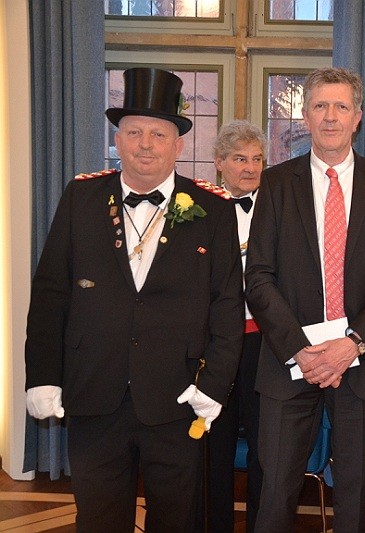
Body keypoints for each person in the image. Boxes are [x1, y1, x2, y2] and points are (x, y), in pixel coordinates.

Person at [24, 67, 244, 533]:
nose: (146, 144)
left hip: (178, 396)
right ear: (117, 140)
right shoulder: (81, 197)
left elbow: (227, 306)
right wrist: (42, 375)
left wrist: (213, 385)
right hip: (93, 392)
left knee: (178, 520)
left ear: (178, 146)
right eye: (134, 132)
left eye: (158, 134)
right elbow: (49, 293)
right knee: (98, 519)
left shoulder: (214, 209)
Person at [244, 67, 365, 532]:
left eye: (341, 107)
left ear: (358, 117)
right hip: (289, 360)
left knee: (354, 495)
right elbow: (258, 276)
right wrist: (299, 348)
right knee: (275, 492)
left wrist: (351, 344)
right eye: (320, 106)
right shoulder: (276, 182)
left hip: (361, 361)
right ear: (305, 115)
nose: (331, 117)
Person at [204, 120, 267, 532]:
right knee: (215, 443)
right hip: (214, 345)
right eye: (240, 159)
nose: (250, 168)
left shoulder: (279, 207)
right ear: (219, 163)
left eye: (257, 159)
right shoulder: (198, 208)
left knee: (266, 446)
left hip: (265, 343)